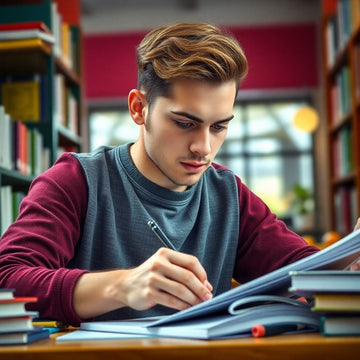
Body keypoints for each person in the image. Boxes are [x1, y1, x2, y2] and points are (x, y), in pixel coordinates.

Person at [0, 22, 358, 326]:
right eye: (185, 123)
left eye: (219, 127)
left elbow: (297, 271)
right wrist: (123, 286)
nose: (203, 147)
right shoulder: (75, 180)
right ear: (139, 109)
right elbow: (8, 279)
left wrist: (347, 262)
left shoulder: (228, 193)